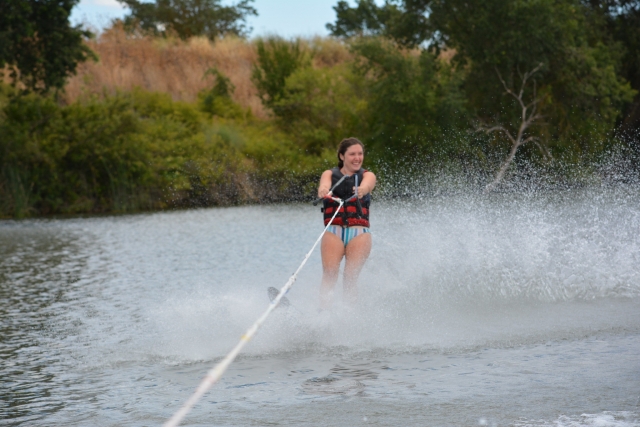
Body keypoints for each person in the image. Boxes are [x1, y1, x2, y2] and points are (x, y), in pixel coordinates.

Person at [317, 137, 377, 309]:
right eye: (352, 154)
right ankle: (324, 313)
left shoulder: (367, 175)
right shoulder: (329, 174)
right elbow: (324, 184)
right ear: (342, 156)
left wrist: (362, 190)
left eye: (360, 154)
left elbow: (368, 185)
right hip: (334, 232)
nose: (357, 158)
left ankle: (349, 316)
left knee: (350, 277)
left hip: (359, 234)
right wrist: (323, 190)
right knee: (329, 273)